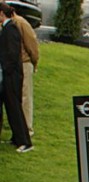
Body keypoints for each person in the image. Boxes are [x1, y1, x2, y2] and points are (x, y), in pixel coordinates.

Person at [0, 3, 30, 152]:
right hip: (10, 74)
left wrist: (5, 69)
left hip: (12, 75)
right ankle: (16, 138)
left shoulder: (10, 28)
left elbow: (12, 54)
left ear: (1, 14)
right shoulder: (7, 28)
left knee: (14, 107)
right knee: (11, 107)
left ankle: (25, 142)